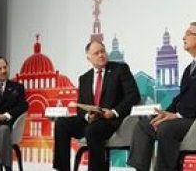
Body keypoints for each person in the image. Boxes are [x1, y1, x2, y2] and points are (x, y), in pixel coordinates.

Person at [127, 22, 196, 171]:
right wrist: (164, 114)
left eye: (188, 33)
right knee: (145, 125)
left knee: (167, 128)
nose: (183, 37)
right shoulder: (190, 68)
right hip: (186, 119)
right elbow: (181, 97)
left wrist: (178, 115)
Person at [53, 40, 140, 171]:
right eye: (96, 53)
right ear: (89, 57)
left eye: (103, 51)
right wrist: (87, 116)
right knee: (61, 124)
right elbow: (80, 107)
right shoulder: (84, 78)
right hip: (91, 120)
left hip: (110, 120)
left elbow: (133, 96)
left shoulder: (120, 69)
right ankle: (62, 169)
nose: (101, 55)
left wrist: (114, 112)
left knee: (92, 130)